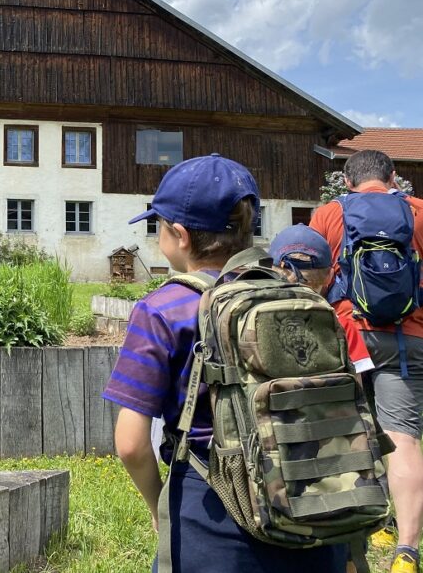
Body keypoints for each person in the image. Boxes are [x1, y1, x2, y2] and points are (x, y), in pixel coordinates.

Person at [103, 154, 347, 572]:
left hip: (211, 513)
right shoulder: (297, 297)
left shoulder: (163, 308)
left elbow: (130, 443)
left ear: (178, 235)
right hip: (316, 505)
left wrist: (157, 505)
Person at [311, 149, 423, 573]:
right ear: (394, 177)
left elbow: (314, 275)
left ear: (347, 182)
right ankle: (407, 552)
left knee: (348, 434)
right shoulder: (418, 211)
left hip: (346, 336)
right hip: (407, 338)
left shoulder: (328, 214)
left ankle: (358, 528)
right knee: (404, 439)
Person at [269, 223, 375, 375]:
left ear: (270, 272)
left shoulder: (250, 320)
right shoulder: (341, 325)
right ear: (330, 276)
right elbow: (356, 387)